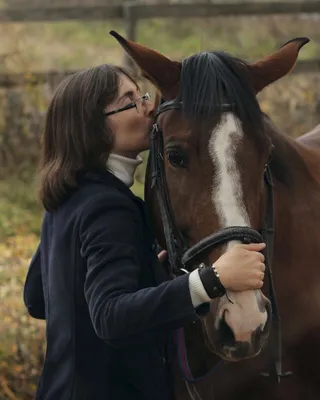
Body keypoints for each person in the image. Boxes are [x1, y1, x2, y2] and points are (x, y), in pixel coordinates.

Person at [23, 64, 266, 400]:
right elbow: (110, 317)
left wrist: (147, 277)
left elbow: (37, 298)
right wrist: (212, 279)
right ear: (94, 124)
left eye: (144, 95)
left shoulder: (69, 199)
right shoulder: (109, 206)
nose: (150, 107)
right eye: (131, 100)